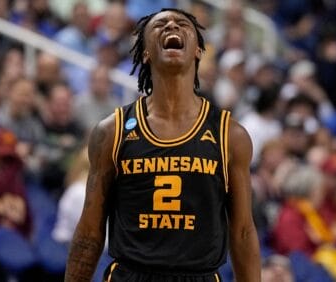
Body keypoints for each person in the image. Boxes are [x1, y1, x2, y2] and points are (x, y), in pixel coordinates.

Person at [65, 8, 261, 282]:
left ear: (198, 51)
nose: (172, 25)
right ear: (145, 52)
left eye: (182, 24)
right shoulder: (112, 131)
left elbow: (242, 231)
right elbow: (88, 233)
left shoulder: (230, 134)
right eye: (160, 25)